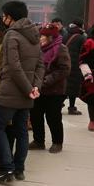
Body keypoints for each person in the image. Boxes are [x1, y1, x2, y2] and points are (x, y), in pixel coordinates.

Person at [0, 1, 44, 184]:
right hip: (26, 94)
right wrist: (34, 87)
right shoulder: (34, 34)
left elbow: (13, 66)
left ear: (10, 17)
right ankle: (19, 168)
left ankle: (6, 169)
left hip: (10, 91)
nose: (3, 19)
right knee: (21, 131)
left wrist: (29, 89)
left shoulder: (12, 35)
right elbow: (40, 65)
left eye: (4, 16)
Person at [29, 24, 71, 153]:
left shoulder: (61, 48)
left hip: (55, 90)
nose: (41, 38)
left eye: (44, 36)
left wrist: (47, 80)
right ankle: (38, 141)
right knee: (36, 115)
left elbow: (65, 69)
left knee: (53, 117)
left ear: (51, 37)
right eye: (40, 35)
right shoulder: (37, 48)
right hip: (38, 88)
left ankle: (57, 142)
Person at [65, 19, 86, 115]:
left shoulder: (65, 34)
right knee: (73, 87)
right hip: (75, 65)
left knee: (65, 85)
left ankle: (59, 104)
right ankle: (71, 107)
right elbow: (84, 51)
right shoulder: (81, 37)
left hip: (65, 62)